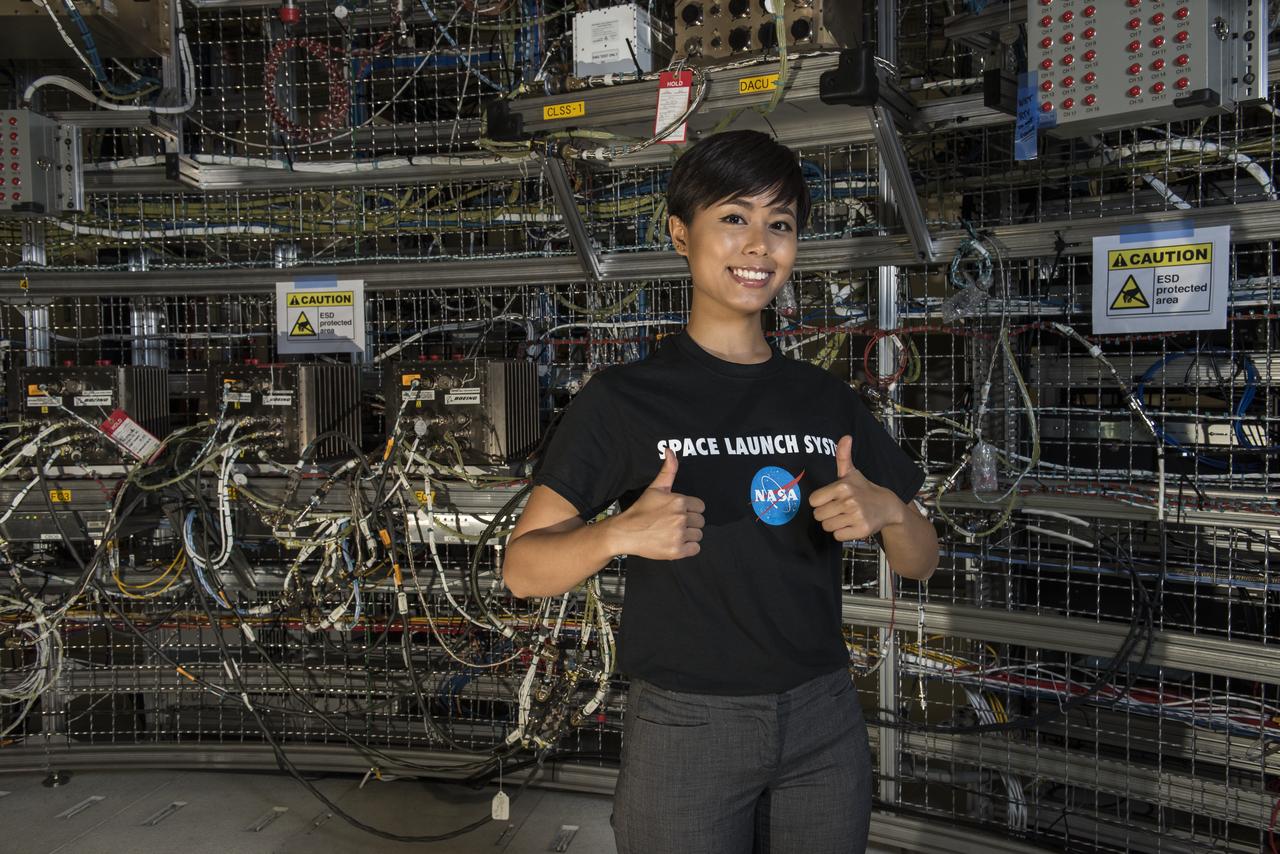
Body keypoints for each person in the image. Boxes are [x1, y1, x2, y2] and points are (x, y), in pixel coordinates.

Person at [503, 129, 939, 854]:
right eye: (734, 218)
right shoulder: (625, 401)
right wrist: (617, 534)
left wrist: (891, 510)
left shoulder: (823, 400)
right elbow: (521, 571)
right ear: (681, 232)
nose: (758, 246)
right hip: (687, 727)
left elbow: (921, 559)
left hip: (823, 720)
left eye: (781, 224)